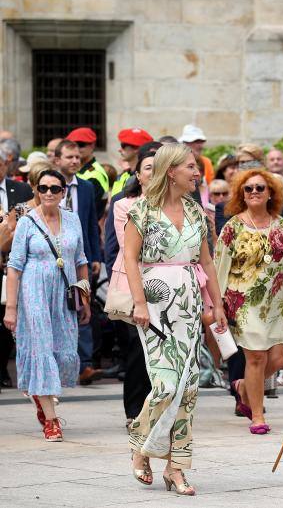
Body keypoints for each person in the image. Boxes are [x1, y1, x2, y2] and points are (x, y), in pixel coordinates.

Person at [124, 143, 226, 495]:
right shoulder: (142, 211)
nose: (198, 173)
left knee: (189, 388)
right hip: (155, 303)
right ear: (172, 171)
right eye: (192, 167)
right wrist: (139, 302)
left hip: (190, 301)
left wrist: (218, 305)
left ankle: (176, 467)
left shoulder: (196, 211)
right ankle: (140, 445)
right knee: (166, 385)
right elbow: (130, 259)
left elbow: (208, 263)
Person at [215, 170, 283, 434]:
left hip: (276, 302)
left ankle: (244, 387)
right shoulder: (232, 226)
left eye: (259, 188)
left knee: (276, 360)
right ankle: (257, 416)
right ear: (241, 194)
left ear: (270, 194)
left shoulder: (281, 226)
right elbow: (219, 266)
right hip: (242, 301)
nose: (254, 192)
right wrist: (217, 304)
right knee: (255, 357)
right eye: (248, 189)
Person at [4, 169, 89, 441]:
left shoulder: (73, 220)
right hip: (34, 292)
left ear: (64, 192)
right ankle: (52, 420)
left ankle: (41, 397)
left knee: (63, 353)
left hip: (64, 293)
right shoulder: (27, 222)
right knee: (40, 349)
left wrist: (84, 295)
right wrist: (11, 308)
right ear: (36, 192)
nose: (49, 193)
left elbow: (81, 261)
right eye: (43, 188)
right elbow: (15, 267)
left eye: (55, 188)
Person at [108, 144, 159, 430]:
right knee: (138, 349)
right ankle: (135, 409)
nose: (152, 172)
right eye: (147, 167)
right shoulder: (123, 205)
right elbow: (131, 247)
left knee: (161, 348)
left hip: (166, 284)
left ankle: (159, 404)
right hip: (133, 281)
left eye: (157, 167)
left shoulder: (178, 203)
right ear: (138, 175)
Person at [52, 140, 103, 385]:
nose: (74, 161)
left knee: (83, 304)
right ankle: (58, 363)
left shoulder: (85, 188)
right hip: (53, 259)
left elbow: (91, 223)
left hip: (80, 257)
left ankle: (84, 365)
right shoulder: (48, 187)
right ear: (57, 159)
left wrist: (95, 256)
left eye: (77, 157)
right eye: (69, 157)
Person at [0, 140, 35, 388]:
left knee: (8, 320)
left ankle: (3, 369)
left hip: (14, 264)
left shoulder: (21, 191)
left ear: (7, 164)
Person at [65, 127, 109, 214]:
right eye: (73, 145)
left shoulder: (96, 173)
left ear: (92, 145)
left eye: (80, 145)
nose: (76, 149)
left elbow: (85, 208)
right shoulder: (74, 169)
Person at [112, 128, 154, 196]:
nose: (119, 150)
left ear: (136, 148)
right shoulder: (123, 175)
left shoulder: (143, 179)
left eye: (123, 146)